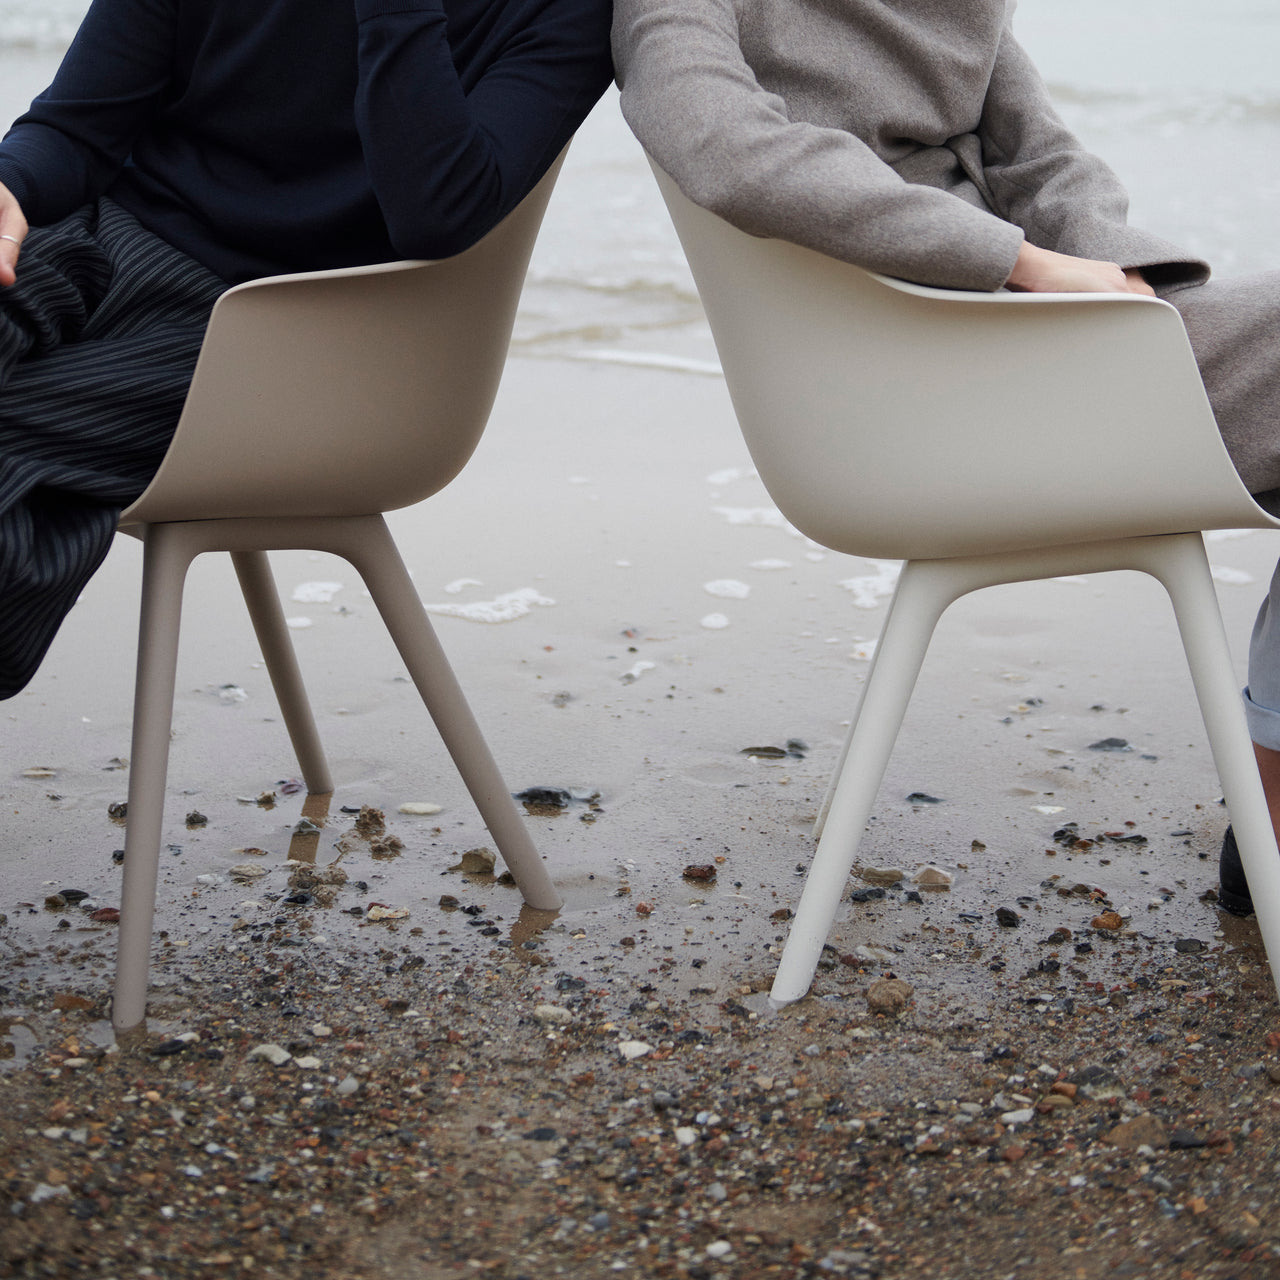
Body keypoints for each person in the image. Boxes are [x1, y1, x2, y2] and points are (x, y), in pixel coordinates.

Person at [611, 0, 1280, 914]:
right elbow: (724, 149)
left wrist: (1109, 278)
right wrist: (1021, 262)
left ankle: (1270, 821)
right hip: (911, 398)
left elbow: (1045, 160)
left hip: (1031, 352)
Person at [0, 0, 613, 700]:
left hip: (301, 338)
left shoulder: (569, 12)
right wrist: (11, 181)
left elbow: (435, 213)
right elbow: (75, 128)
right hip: (103, 245)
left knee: (13, 440)